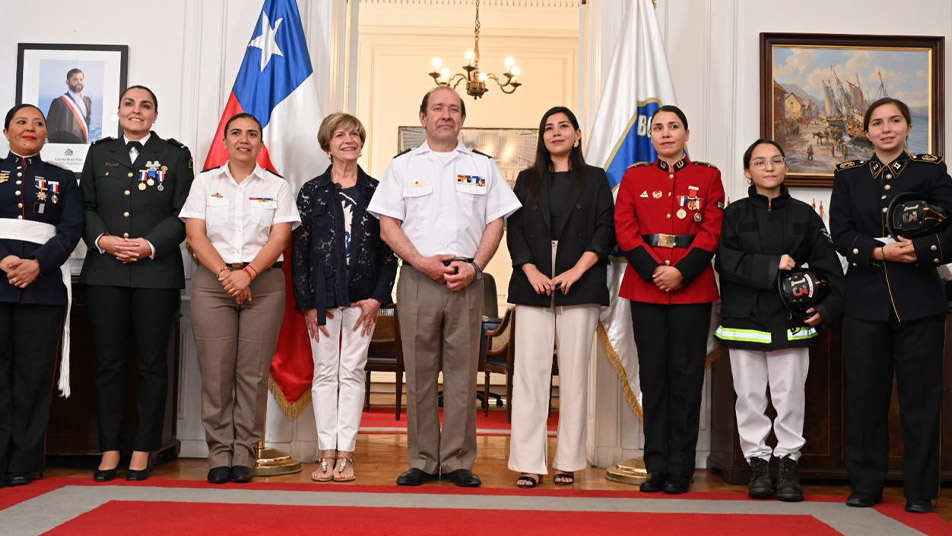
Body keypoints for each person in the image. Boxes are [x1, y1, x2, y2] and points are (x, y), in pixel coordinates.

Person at [368, 86, 521, 488]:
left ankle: (456, 461)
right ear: (423, 117)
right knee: (418, 374)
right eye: (437, 108)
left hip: (466, 281)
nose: (445, 115)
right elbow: (388, 226)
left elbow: (496, 223)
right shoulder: (402, 167)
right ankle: (421, 459)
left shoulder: (483, 166)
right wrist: (420, 262)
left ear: (462, 120)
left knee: (460, 375)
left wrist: (476, 266)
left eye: (454, 109)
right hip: (418, 280)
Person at [829, 97, 952, 514]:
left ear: (907, 126)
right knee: (865, 398)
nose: (886, 129)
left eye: (894, 121)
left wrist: (919, 250)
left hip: (919, 303)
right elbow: (841, 233)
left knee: (920, 400)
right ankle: (866, 484)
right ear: (866, 132)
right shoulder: (849, 176)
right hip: (864, 303)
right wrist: (879, 254)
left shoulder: (930, 170)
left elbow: (951, 230)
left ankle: (921, 490)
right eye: (877, 123)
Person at [715, 139, 844, 501]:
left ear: (785, 168)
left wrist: (828, 309)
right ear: (747, 172)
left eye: (776, 161)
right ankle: (758, 463)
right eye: (760, 162)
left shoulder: (806, 216)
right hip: (744, 319)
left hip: (792, 320)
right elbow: (725, 263)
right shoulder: (733, 214)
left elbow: (830, 271)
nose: (769, 167)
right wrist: (775, 265)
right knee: (750, 396)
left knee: (790, 396)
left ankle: (787, 464)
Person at [80, 85, 193, 482]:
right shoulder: (98, 152)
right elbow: (87, 207)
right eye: (130, 104)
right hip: (105, 272)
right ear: (118, 111)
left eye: (145, 105)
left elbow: (184, 213)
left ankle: (143, 448)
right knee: (108, 365)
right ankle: (110, 450)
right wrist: (103, 241)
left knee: (151, 365)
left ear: (155, 116)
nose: (136, 110)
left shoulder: (175, 155)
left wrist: (148, 245)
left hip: (155, 274)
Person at [181, 112, 300, 485]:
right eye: (236, 133)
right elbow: (195, 236)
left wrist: (246, 275)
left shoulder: (277, 186)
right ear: (225, 141)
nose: (244, 139)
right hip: (213, 283)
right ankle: (219, 454)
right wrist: (227, 276)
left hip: (263, 284)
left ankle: (244, 454)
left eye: (252, 134)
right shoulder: (204, 183)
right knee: (216, 374)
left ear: (261, 143)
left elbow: (280, 238)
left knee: (251, 374)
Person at [614, 105, 724, 494]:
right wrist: (652, 270)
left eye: (673, 126)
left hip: (691, 287)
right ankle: (656, 465)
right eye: (658, 128)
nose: (665, 133)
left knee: (686, 379)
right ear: (652, 136)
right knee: (654, 378)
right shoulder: (634, 177)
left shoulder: (708, 177)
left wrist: (683, 271)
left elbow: (711, 231)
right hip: (646, 285)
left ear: (686, 133)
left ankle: (681, 468)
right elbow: (624, 228)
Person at [505, 106, 614, 488]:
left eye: (563, 126)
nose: (556, 133)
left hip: (579, 281)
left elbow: (605, 230)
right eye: (548, 127)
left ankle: (568, 460)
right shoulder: (526, 178)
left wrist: (577, 270)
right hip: (532, 282)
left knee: (574, 376)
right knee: (530, 375)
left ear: (577, 134)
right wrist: (530, 269)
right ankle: (528, 463)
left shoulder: (596, 179)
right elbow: (513, 229)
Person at [291, 113, 396, 482]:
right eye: (340, 135)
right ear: (327, 143)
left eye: (355, 135)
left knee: (351, 373)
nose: (349, 140)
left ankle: (346, 454)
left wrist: (378, 298)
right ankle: (326, 454)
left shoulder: (378, 190)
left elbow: (389, 250)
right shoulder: (310, 191)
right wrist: (305, 303)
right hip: (321, 300)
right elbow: (299, 252)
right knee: (324, 373)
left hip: (363, 301)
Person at [0, 104, 83, 487]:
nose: (30, 128)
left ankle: (23, 461)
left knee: (32, 379)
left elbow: (70, 229)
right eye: (21, 122)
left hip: (43, 289)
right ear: (6, 132)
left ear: (47, 134)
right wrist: (4, 262)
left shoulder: (64, 179)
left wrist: (37, 264)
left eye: (38, 123)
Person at [47, 68, 92, 144]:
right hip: (65, 149)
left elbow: (87, 124)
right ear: (67, 82)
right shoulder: (59, 102)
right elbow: (50, 129)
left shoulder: (88, 101)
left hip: (83, 148)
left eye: (81, 80)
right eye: (75, 80)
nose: (79, 82)